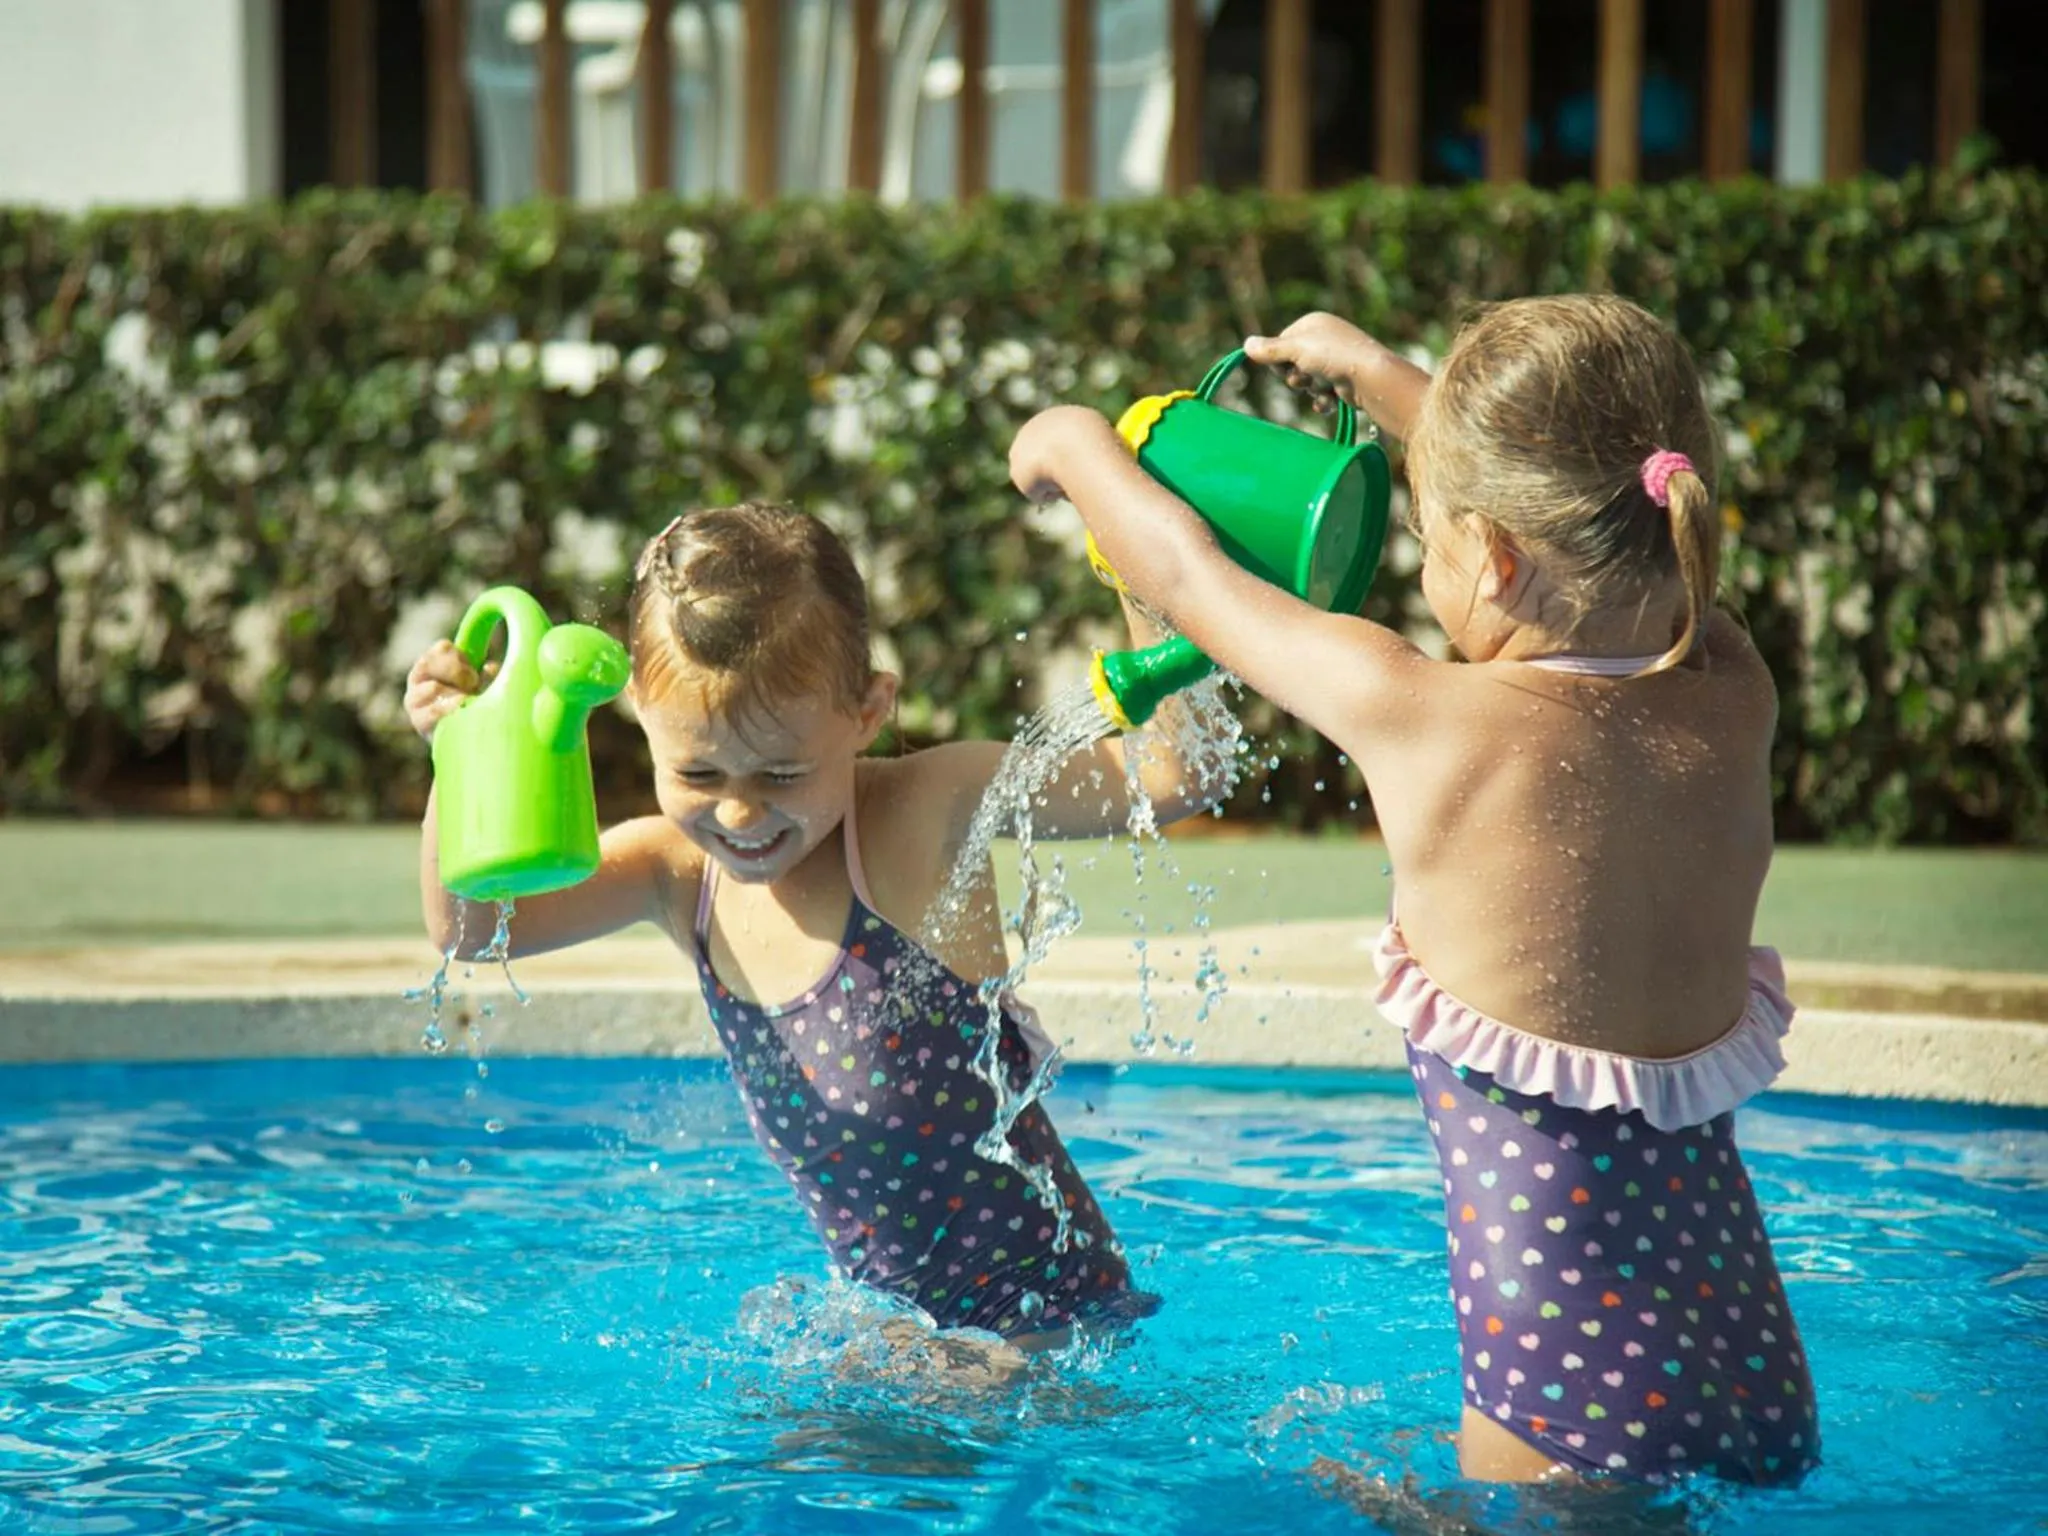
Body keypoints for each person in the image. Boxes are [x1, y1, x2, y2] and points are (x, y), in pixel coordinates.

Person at [1008, 297, 1819, 1484]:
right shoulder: (1729, 676)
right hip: (1750, 1352)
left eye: (1428, 536)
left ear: (1490, 558)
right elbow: (1580, 486)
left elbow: (1185, 582)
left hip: (1562, 1388)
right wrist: (1383, 378)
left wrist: (1076, 447)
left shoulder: (1426, 719)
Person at [406, 502, 1225, 1347]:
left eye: (783, 773)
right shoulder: (677, 875)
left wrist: (1134, 550)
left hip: (1058, 1328)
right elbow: (472, 925)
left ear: (868, 711)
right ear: (640, 710)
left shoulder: (923, 812)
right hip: (912, 1341)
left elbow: (1174, 776)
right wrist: (458, 750)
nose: (739, 810)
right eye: (697, 771)